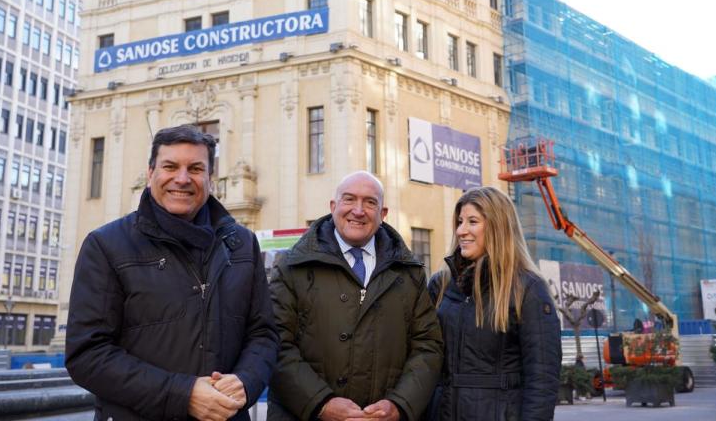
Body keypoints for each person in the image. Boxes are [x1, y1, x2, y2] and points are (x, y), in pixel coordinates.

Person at [66, 125, 278, 421]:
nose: (182, 178)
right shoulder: (106, 245)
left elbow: (263, 334)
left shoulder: (242, 244)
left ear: (210, 178)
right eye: (170, 166)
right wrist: (183, 394)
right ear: (151, 172)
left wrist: (246, 380)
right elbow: (87, 355)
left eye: (195, 168)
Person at [267, 171, 443, 421]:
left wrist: (400, 404)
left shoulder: (408, 273)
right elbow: (275, 343)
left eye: (370, 202)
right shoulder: (293, 267)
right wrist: (321, 403)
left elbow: (428, 346)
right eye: (349, 199)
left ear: (383, 214)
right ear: (333, 206)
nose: (358, 211)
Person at [427, 186, 561, 420]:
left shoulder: (528, 289)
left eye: (472, 221)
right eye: (460, 221)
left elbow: (542, 380)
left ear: (498, 226)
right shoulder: (440, 285)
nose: (461, 230)